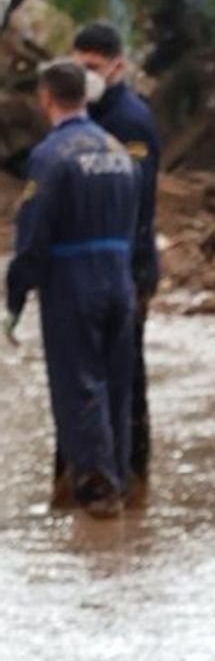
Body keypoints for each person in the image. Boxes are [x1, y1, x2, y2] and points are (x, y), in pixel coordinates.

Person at [5, 57, 138, 513]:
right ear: (85, 94)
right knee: (117, 382)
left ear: (46, 98)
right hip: (119, 277)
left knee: (77, 380)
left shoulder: (50, 157)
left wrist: (16, 292)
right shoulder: (120, 153)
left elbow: (33, 232)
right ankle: (117, 475)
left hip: (71, 281)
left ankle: (96, 486)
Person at [71, 21, 160, 506]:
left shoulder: (130, 121)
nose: (84, 77)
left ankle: (132, 478)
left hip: (128, 268)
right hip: (92, 269)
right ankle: (95, 476)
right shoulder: (82, 116)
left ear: (117, 67)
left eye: (92, 68)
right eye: (77, 66)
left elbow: (134, 202)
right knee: (88, 373)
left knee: (127, 377)